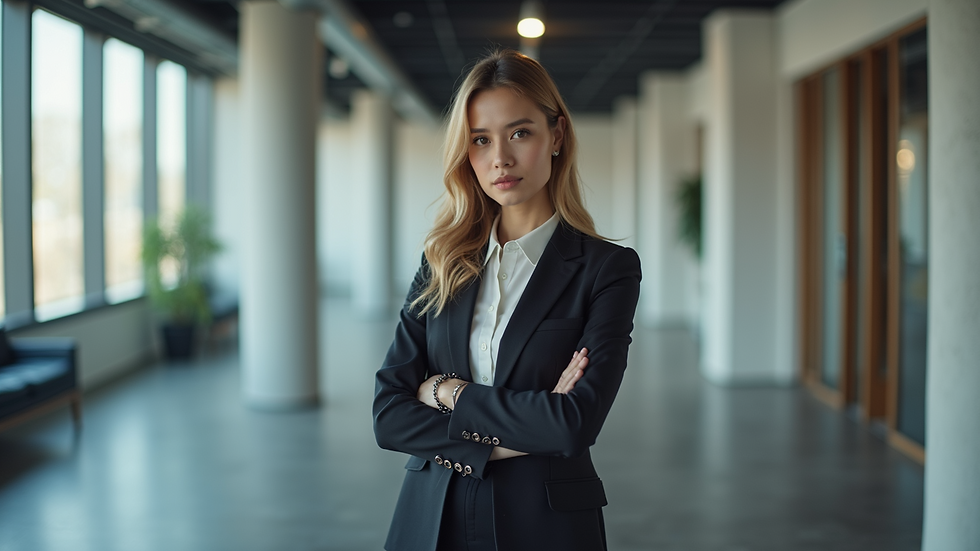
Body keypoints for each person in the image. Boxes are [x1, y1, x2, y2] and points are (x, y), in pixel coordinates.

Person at [373, 49, 641, 551]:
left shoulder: (606, 269)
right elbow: (388, 415)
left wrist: (447, 393)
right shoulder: (442, 262)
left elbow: (572, 425)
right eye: (480, 140)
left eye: (520, 132)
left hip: (546, 524)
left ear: (556, 135)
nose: (500, 158)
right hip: (432, 518)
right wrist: (518, 432)